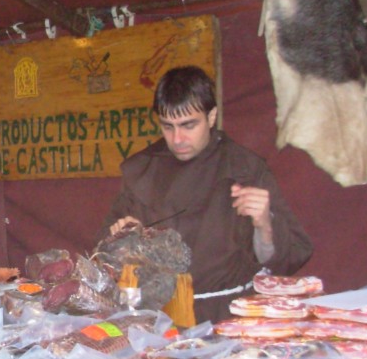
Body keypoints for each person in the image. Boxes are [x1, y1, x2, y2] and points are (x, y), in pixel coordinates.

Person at [99, 65, 313, 324]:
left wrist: (265, 225)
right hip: (160, 318)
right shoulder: (141, 170)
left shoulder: (245, 168)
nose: (178, 138)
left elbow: (288, 260)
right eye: (168, 126)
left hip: (226, 316)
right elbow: (106, 257)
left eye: (188, 125)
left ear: (211, 117)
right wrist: (126, 240)